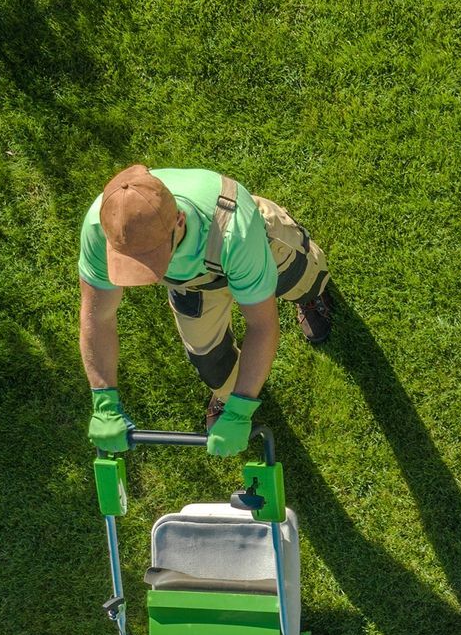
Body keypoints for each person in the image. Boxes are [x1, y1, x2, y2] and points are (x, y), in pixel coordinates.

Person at [78, 165, 336, 456]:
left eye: (152, 258)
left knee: (303, 279)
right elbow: (97, 316)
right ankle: (227, 396)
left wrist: (242, 412)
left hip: (252, 243)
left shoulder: (235, 230)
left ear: (179, 221)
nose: (144, 276)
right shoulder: (103, 228)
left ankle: (311, 295)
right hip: (191, 282)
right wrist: (104, 400)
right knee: (208, 357)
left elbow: (262, 325)